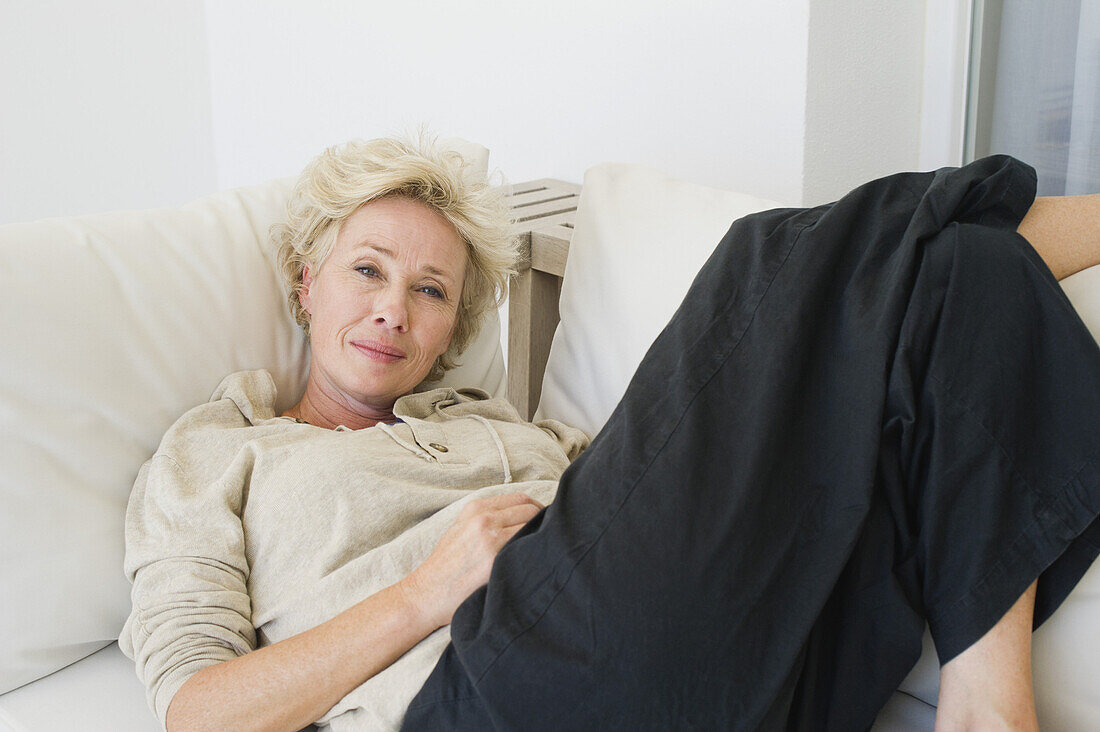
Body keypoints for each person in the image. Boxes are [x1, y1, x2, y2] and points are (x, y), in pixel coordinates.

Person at [120, 135, 1100, 731]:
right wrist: (432, 587)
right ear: (305, 280)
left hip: (716, 677)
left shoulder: (493, 428)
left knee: (969, 274)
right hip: (479, 701)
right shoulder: (219, 450)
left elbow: (652, 508)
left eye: (430, 292)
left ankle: (987, 706)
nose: (394, 312)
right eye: (366, 271)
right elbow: (198, 715)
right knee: (763, 260)